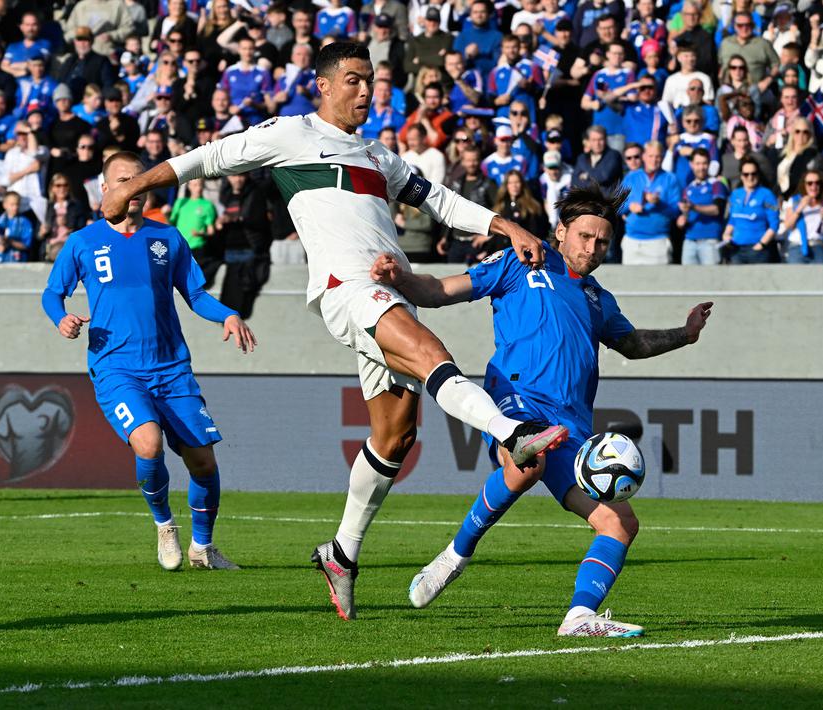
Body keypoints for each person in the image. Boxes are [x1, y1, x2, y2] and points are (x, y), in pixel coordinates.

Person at [99, 41, 570, 621]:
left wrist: (502, 222)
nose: (366, 92)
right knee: (429, 354)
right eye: (352, 80)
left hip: (389, 289)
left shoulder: (379, 157)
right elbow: (210, 157)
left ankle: (341, 553)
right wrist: (134, 184)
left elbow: (442, 200)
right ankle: (512, 432)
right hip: (346, 289)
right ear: (321, 85)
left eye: (371, 81)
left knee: (395, 435)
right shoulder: (289, 134)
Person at [373, 184, 712, 637]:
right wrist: (400, 279)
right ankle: (455, 556)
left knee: (620, 522)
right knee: (528, 456)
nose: (593, 248)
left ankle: (579, 617)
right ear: (561, 231)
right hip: (517, 400)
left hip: (572, 429)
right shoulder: (520, 261)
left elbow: (633, 344)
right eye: (585, 236)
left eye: (602, 242)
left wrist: (684, 335)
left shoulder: (598, 299)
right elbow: (440, 291)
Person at [41, 151, 255, 570]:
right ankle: (164, 526)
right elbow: (53, 294)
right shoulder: (83, 242)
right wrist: (61, 317)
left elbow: (194, 295)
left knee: (203, 462)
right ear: (105, 190)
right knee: (149, 442)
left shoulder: (168, 238)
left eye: (139, 180)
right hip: (116, 367)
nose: (132, 188)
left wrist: (227, 313)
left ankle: (203, 549)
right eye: (123, 181)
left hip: (171, 368)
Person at [678, 150, 727, 265]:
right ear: (691, 164)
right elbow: (686, 213)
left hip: (710, 240)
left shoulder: (716, 184)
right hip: (690, 240)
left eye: (704, 163)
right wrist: (682, 219)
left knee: (711, 279)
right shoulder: (688, 188)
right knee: (687, 279)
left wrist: (694, 207)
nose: (701, 167)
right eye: (698, 164)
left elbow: (717, 209)